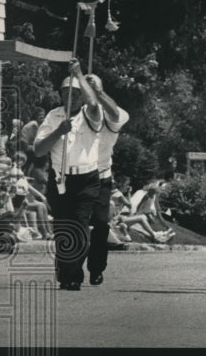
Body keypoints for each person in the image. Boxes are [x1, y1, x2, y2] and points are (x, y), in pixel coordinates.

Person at [33, 59, 103, 291]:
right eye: (64, 92)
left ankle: (73, 274)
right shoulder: (53, 116)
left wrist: (79, 74)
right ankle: (66, 271)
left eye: (73, 92)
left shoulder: (90, 113)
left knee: (80, 227)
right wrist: (57, 132)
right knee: (63, 228)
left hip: (86, 179)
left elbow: (93, 103)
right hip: (60, 179)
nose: (68, 96)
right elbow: (39, 149)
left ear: (82, 94)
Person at [85, 74, 130, 286]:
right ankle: (68, 265)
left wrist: (99, 92)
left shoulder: (110, 117)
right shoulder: (73, 113)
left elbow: (115, 113)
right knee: (73, 223)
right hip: (72, 174)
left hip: (100, 175)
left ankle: (96, 268)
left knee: (101, 225)